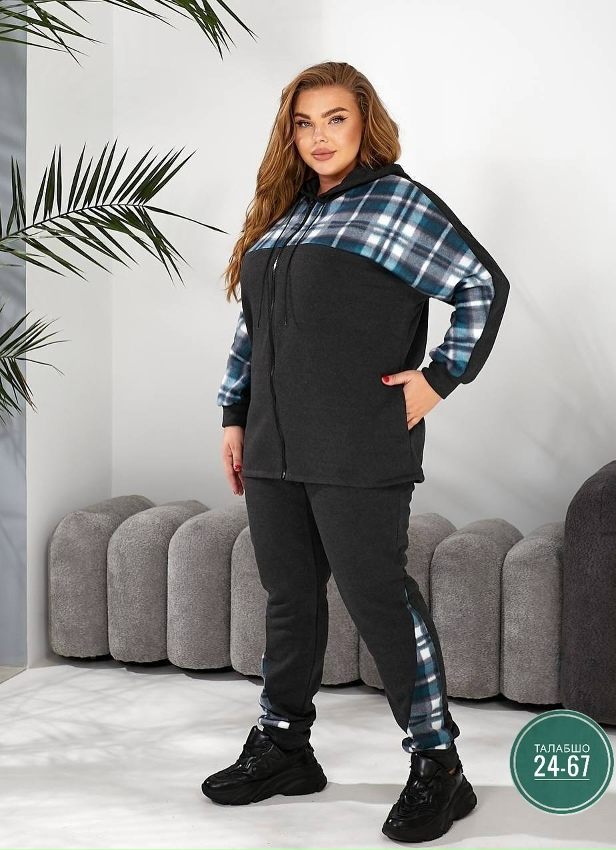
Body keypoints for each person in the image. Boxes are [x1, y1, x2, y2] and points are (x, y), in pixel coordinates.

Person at [202, 61, 509, 843]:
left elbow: (480, 284)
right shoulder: (287, 214)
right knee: (288, 598)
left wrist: (438, 378)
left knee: (377, 596)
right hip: (272, 444)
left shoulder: (397, 203)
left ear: (364, 122)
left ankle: (439, 764)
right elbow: (252, 330)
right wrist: (234, 415)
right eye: (304, 123)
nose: (319, 136)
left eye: (335, 118)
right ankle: (284, 746)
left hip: (358, 443)